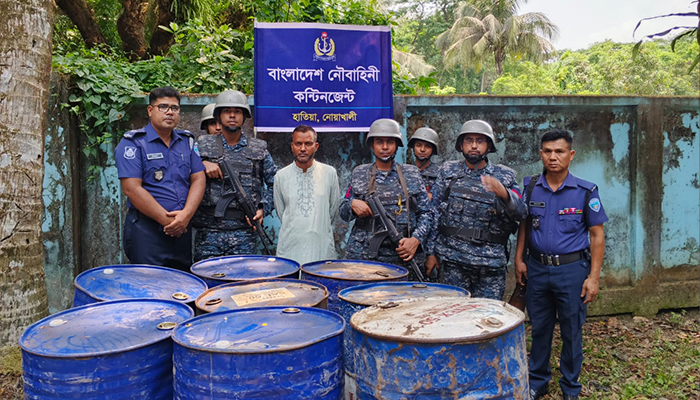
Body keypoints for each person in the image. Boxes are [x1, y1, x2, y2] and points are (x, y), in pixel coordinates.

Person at [514, 130, 607, 400]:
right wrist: (519, 259)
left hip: (571, 271)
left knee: (571, 330)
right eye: (547, 151)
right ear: (541, 154)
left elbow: (597, 236)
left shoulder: (585, 191)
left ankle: (570, 386)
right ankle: (538, 381)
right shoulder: (531, 187)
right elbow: (524, 225)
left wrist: (593, 278)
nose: (553, 157)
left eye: (559, 151)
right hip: (537, 269)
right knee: (539, 327)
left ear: (571, 154)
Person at [426, 119, 526, 298]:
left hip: (490, 266)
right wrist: (431, 253)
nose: (474, 146)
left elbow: (521, 213)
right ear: (461, 145)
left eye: (480, 141)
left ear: (489, 146)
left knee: (488, 314)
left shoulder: (504, 176)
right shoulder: (448, 172)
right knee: (453, 312)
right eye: (469, 141)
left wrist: (504, 194)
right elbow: (433, 213)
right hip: (453, 262)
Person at [114, 86, 205, 271]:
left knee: (183, 283)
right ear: (150, 110)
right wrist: (170, 222)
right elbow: (132, 189)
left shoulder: (186, 142)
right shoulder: (133, 143)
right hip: (147, 232)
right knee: (149, 284)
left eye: (175, 108)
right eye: (163, 107)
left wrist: (186, 215)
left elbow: (198, 178)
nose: (170, 112)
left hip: (182, 229)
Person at [339, 118, 433, 280]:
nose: (384, 147)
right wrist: (352, 204)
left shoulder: (411, 174)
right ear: (372, 145)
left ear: (397, 145)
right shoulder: (359, 173)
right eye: (379, 142)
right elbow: (343, 212)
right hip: (364, 257)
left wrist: (416, 240)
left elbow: (427, 213)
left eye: (390, 142)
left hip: (402, 256)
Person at [191, 90, 277, 260]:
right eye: (227, 111)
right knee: (207, 276)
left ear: (244, 116)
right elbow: (182, 172)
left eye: (237, 111)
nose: (232, 115)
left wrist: (263, 208)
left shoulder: (258, 149)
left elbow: (276, 184)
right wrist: (200, 165)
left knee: (242, 277)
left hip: (244, 234)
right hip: (208, 233)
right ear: (218, 116)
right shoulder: (201, 146)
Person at [273, 125, 340, 264]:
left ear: (316, 146)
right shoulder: (281, 176)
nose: (303, 148)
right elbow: (282, 213)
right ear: (292, 146)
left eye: (308, 144)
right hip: (290, 250)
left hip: (321, 249)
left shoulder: (329, 173)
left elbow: (332, 211)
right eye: (298, 144)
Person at [407, 127, 440, 199]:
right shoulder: (405, 172)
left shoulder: (440, 174)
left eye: (427, 146)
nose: (422, 149)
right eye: (418, 145)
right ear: (413, 147)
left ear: (433, 150)